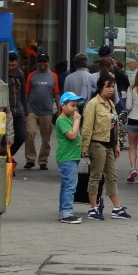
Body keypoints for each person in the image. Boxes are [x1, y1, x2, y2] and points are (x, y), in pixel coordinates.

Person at [80, 74, 130, 220]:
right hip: (97, 144)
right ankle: (93, 208)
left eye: (113, 86)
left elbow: (115, 128)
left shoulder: (110, 104)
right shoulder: (93, 104)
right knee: (96, 176)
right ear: (101, 87)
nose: (111, 89)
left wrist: (117, 146)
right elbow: (87, 127)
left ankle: (117, 208)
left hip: (109, 144)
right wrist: (85, 146)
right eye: (108, 86)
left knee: (112, 176)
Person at [25, 52, 60, 171]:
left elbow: (56, 93)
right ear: (37, 62)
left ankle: (43, 161)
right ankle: (30, 159)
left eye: (44, 61)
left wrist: (59, 109)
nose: (42, 63)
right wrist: (25, 109)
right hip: (32, 110)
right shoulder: (31, 76)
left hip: (47, 111)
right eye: (40, 61)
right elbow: (26, 93)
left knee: (46, 138)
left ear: (48, 62)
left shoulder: (53, 76)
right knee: (30, 133)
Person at [54, 91, 85, 224]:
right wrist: (78, 120)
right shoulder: (61, 120)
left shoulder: (70, 118)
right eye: (72, 105)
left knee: (67, 184)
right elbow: (72, 135)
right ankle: (66, 212)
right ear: (63, 106)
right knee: (70, 185)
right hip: (66, 157)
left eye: (76, 106)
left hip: (72, 155)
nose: (75, 108)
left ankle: (64, 210)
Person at [6, 50, 29, 160]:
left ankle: (8, 156)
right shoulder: (1, 73)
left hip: (18, 109)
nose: (11, 67)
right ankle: (7, 158)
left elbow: (23, 93)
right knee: (5, 138)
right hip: (6, 110)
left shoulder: (20, 74)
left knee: (22, 135)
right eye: (9, 65)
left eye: (13, 65)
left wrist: (25, 112)